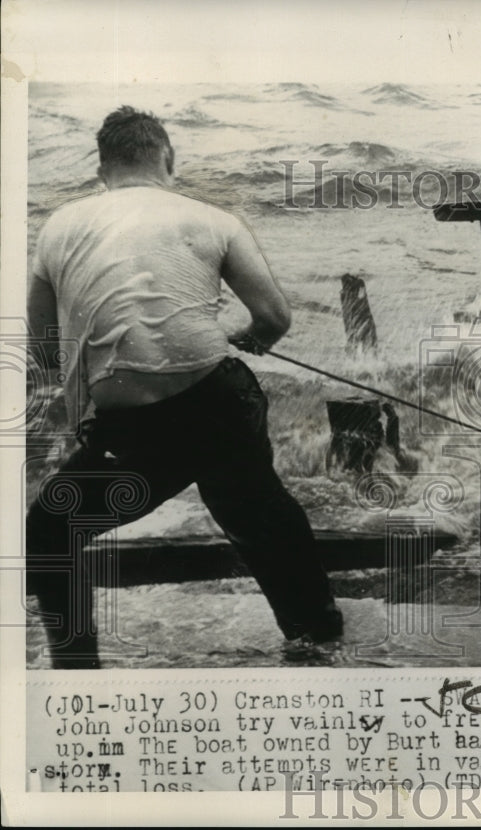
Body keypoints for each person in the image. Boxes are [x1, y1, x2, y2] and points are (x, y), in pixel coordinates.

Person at [26, 106, 342, 668]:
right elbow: (273, 315)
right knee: (255, 513)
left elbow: (46, 350)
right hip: (215, 404)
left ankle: (75, 669)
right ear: (167, 160)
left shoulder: (56, 227)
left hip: (132, 430)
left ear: (103, 168)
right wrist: (252, 338)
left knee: (52, 528)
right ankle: (318, 637)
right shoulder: (213, 219)